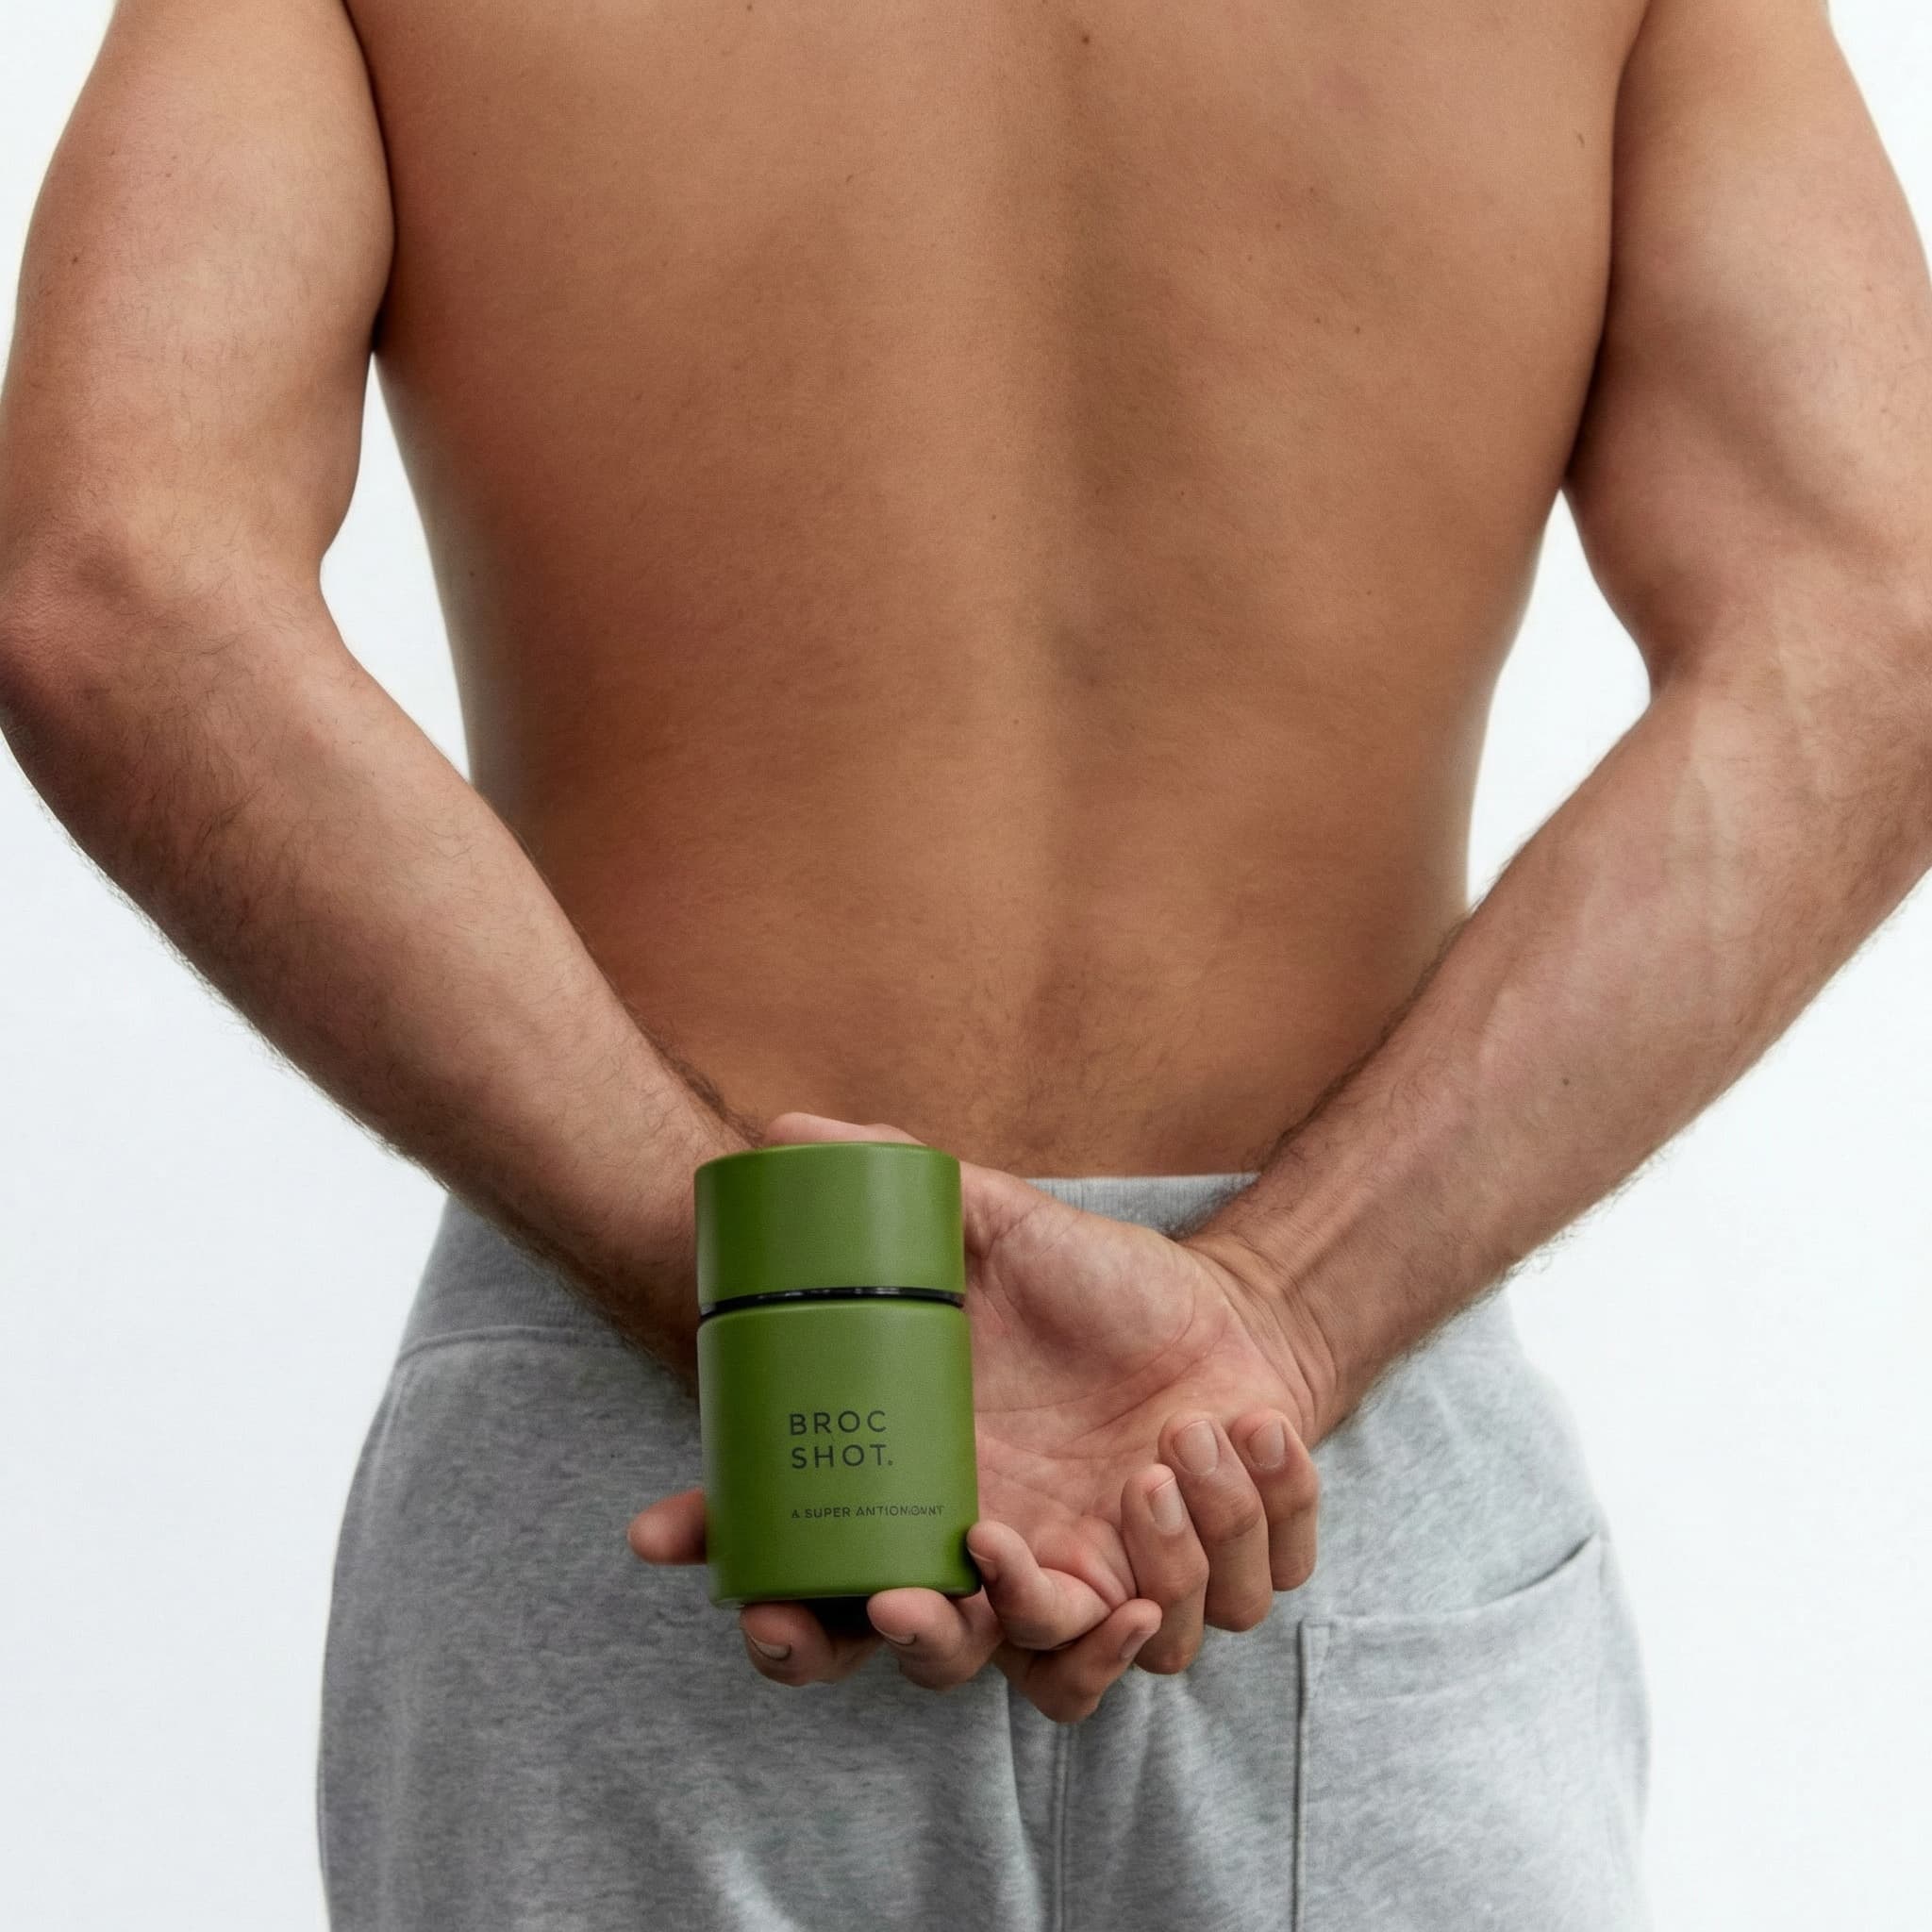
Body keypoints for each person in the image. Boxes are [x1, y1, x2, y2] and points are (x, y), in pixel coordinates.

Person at [3, 0, 1928, 1924]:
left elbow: (115, 579)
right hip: (1277, 1470)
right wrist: (1274, 1312)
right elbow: (1877, 628)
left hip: (665, 1417)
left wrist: (736, 1279)